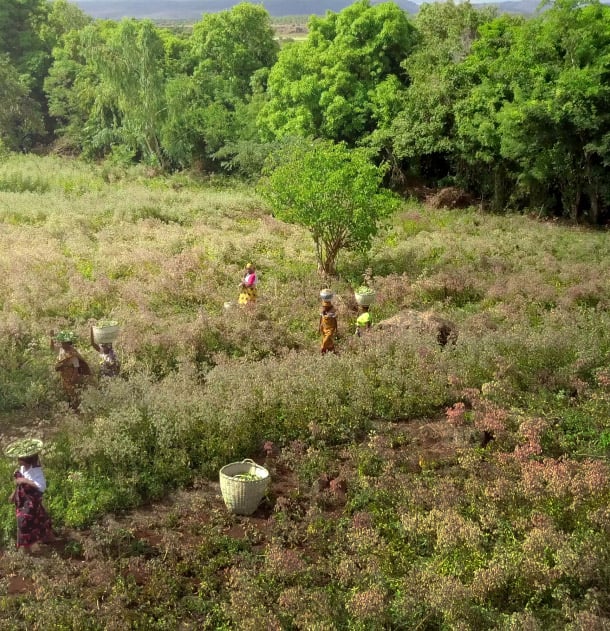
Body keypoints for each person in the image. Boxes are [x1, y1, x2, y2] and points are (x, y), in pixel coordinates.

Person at [6, 439, 54, 550]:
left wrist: (25, 481)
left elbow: (41, 486)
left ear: (26, 460)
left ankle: (27, 549)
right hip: (24, 501)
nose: (18, 460)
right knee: (41, 519)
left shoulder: (36, 471)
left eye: (20, 458)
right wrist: (14, 494)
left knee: (23, 521)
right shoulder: (23, 468)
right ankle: (46, 539)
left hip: (31, 502)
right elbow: (20, 484)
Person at [50, 330, 91, 408]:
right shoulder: (61, 349)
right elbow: (52, 348)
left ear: (68, 343)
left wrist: (74, 377)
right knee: (66, 391)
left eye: (64, 343)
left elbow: (76, 366)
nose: (62, 344)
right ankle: (70, 406)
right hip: (63, 374)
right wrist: (51, 337)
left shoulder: (72, 353)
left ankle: (76, 408)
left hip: (71, 374)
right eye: (62, 342)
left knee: (73, 392)